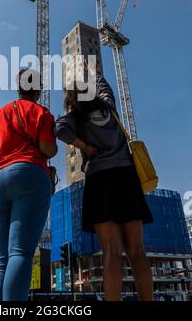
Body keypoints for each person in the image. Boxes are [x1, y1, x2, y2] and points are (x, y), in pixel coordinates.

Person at [55, 75, 154, 301]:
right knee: (137, 251)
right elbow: (104, 86)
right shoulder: (109, 106)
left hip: (100, 181)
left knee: (111, 251)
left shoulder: (75, 118)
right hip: (126, 177)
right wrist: (94, 75)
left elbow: (59, 129)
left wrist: (86, 148)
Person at [0, 69, 57, 301]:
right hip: (28, 174)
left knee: (4, 259)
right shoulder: (41, 112)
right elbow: (47, 149)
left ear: (18, 88)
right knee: (20, 252)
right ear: (38, 91)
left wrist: (1, 159)